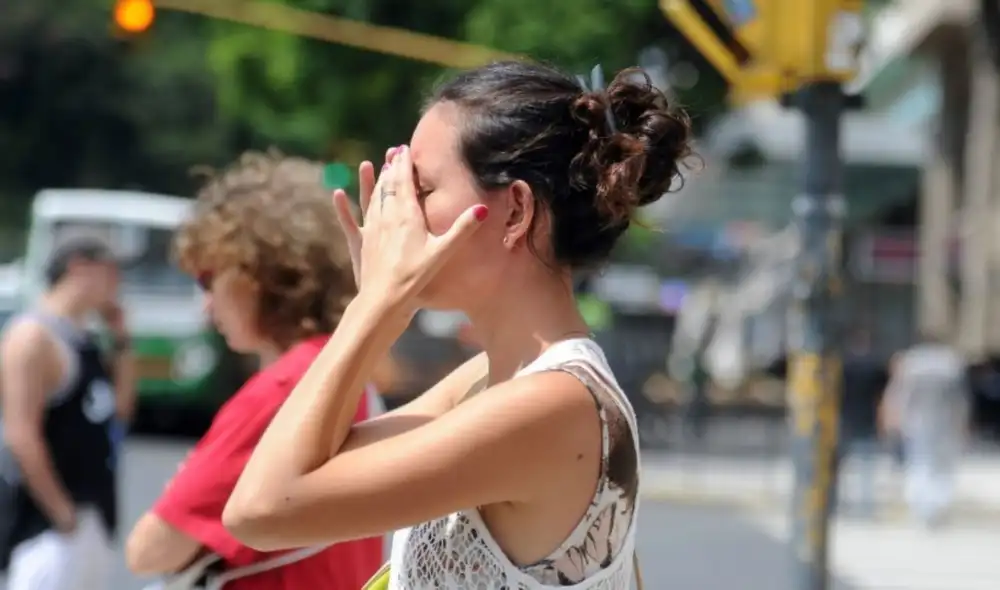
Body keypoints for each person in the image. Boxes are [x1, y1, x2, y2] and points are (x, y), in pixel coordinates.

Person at [223, 61, 692, 589]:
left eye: (420, 190)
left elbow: (261, 511)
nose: (396, 214)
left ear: (515, 211)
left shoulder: (553, 405)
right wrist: (380, 305)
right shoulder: (486, 383)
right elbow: (310, 465)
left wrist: (375, 306)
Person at [124, 151, 384, 588]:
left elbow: (150, 550)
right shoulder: (346, 370)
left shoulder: (284, 389)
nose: (206, 304)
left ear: (258, 274)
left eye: (209, 279)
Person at [0, 237, 136, 590]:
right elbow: (20, 433)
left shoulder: (86, 338)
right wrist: (62, 513)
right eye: (111, 272)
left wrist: (121, 340)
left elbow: (119, 410)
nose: (118, 284)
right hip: (46, 525)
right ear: (78, 267)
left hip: (93, 511)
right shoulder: (32, 338)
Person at [881, 332, 971, 527]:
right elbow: (961, 399)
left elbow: (900, 395)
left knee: (920, 462)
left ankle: (923, 506)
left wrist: (894, 419)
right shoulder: (951, 363)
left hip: (916, 422)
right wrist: (963, 422)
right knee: (942, 465)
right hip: (945, 422)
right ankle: (937, 505)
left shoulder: (912, 362)